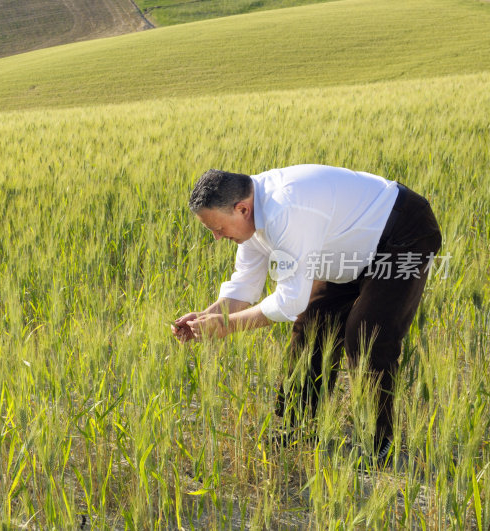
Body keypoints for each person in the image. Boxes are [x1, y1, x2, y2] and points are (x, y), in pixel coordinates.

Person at [172, 164, 442, 462]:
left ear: (242, 209)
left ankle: (380, 445)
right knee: (311, 328)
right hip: (347, 247)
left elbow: (290, 301)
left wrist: (228, 326)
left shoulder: (285, 209)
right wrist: (207, 317)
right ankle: (295, 427)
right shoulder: (251, 217)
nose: (217, 238)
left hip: (402, 234)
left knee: (366, 336)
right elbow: (244, 284)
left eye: (218, 229)